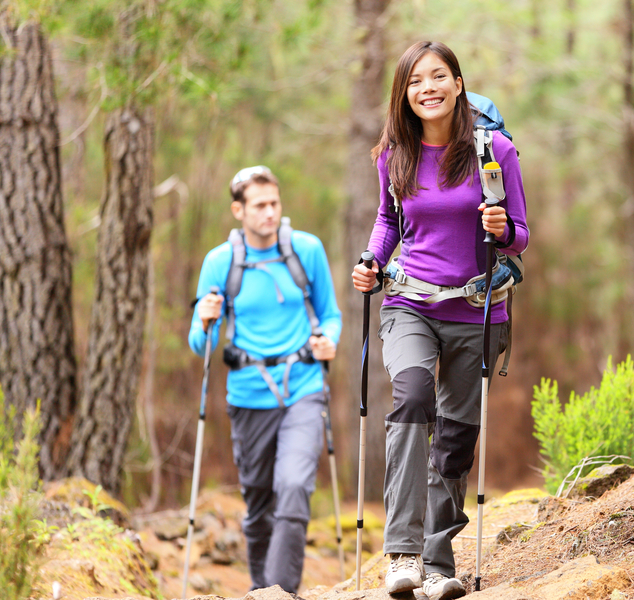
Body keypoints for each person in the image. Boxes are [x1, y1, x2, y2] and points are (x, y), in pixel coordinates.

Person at [352, 41, 529, 600]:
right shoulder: (393, 153)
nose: (427, 88)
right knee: (410, 397)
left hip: (477, 309)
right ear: (404, 94)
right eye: (415, 81)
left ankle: (436, 561)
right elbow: (389, 221)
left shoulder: (492, 150)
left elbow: (520, 234)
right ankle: (401, 553)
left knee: (454, 435)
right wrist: (372, 261)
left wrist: (500, 227)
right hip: (409, 303)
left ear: (457, 83)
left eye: (438, 77)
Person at [189, 165, 342, 594]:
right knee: (258, 502)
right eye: (259, 206)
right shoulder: (220, 262)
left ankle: (281, 591)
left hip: (305, 387)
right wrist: (204, 321)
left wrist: (328, 340)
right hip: (248, 395)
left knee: (293, 486)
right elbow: (201, 348)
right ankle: (262, 588)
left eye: (275, 203)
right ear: (238, 210)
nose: (270, 213)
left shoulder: (306, 249)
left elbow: (330, 314)